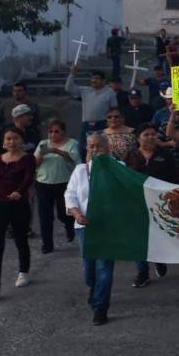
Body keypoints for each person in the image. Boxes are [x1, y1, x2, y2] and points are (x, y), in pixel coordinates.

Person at [64, 132, 117, 325]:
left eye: (99, 146)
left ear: (108, 147)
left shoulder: (119, 169)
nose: (95, 150)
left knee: (104, 267)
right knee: (89, 270)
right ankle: (94, 289)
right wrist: (77, 214)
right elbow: (70, 195)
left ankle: (100, 308)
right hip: (84, 227)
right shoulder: (80, 171)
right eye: (91, 147)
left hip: (108, 227)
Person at [0, 126, 36, 300]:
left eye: (15, 138)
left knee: (20, 239)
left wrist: (19, 191)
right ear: (3, 142)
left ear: (22, 141)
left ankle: (23, 271)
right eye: (8, 139)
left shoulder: (28, 159)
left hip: (19, 204)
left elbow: (28, 178)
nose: (12, 142)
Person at [125, 124, 178, 287]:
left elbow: (174, 177)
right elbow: (125, 177)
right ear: (139, 138)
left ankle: (160, 259)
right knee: (139, 237)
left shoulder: (166, 154)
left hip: (160, 202)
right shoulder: (131, 155)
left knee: (159, 234)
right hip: (137, 202)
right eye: (146, 134)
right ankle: (142, 272)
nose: (150, 137)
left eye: (153, 134)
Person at [33, 119, 80, 254]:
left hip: (63, 183)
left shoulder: (72, 144)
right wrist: (41, 155)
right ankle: (47, 244)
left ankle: (69, 225)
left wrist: (58, 151)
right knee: (45, 215)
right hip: (43, 183)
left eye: (56, 131)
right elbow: (34, 164)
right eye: (50, 131)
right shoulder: (42, 144)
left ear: (63, 132)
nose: (53, 135)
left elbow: (75, 161)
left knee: (63, 213)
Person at [69, 70, 118, 160]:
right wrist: (72, 73)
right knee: (82, 149)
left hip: (102, 125)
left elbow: (113, 109)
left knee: (101, 149)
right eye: (92, 78)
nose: (94, 80)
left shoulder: (110, 92)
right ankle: (85, 169)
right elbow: (68, 88)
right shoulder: (85, 90)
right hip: (86, 125)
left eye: (97, 78)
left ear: (103, 80)